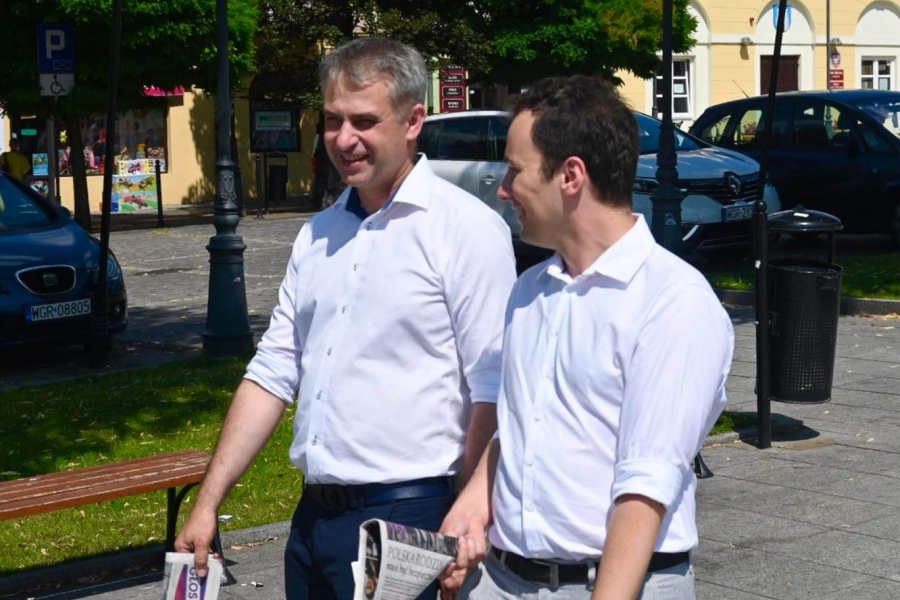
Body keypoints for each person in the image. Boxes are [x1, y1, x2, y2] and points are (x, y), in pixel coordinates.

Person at [175, 36, 516, 600]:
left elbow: (493, 387)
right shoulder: (318, 233)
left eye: (364, 121)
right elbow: (272, 372)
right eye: (333, 120)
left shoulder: (465, 229)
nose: (344, 139)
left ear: (413, 121)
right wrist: (208, 502)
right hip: (314, 520)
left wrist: (467, 512)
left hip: (412, 515)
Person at [438, 75, 735, 600]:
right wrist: (473, 503)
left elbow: (646, 488)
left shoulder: (673, 301)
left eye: (515, 170)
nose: (503, 189)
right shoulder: (530, 290)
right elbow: (521, 426)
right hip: (503, 578)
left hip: (617, 583)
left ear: (571, 175)